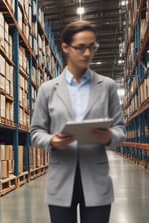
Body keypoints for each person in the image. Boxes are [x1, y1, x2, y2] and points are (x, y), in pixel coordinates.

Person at [30, 20, 126, 223]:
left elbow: (120, 129)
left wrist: (110, 137)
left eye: (92, 47)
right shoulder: (48, 90)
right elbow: (36, 131)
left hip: (97, 180)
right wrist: (51, 141)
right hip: (61, 181)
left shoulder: (107, 86)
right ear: (65, 47)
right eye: (81, 47)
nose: (87, 53)